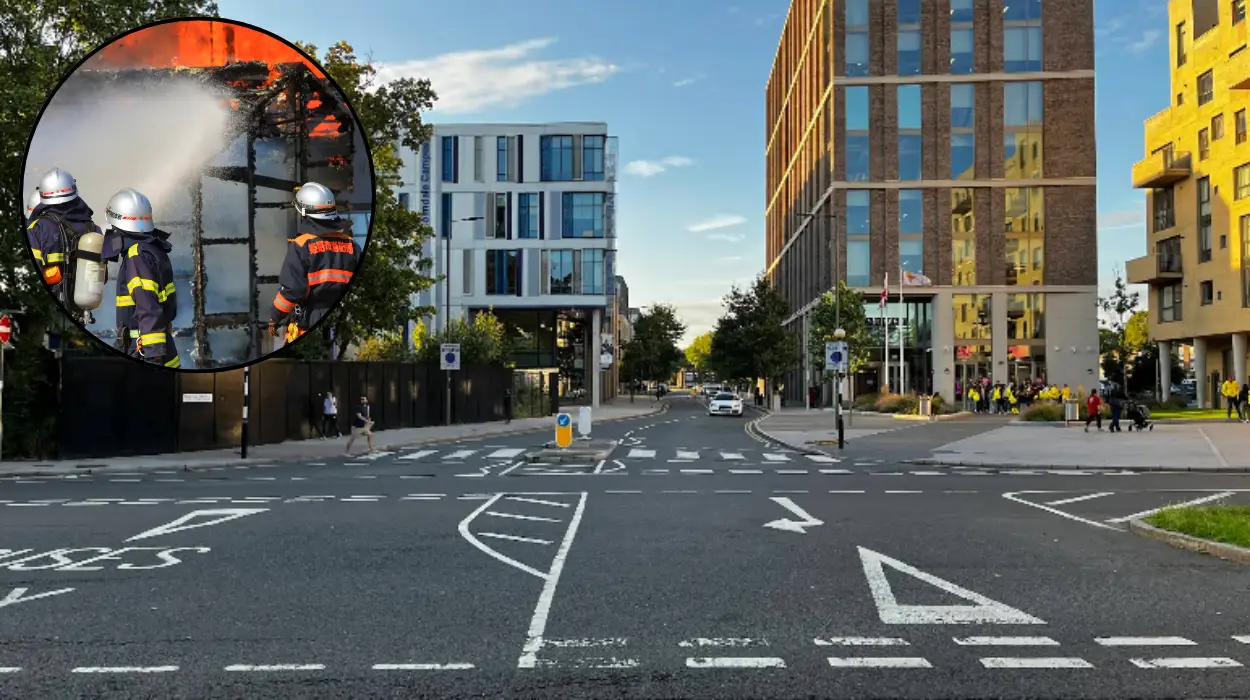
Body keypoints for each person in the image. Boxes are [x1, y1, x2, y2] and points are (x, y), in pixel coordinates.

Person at [268, 182, 359, 346]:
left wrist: (275, 316)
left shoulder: (302, 245)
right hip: (342, 323)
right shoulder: (352, 246)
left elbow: (293, 290)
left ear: (305, 213)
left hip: (309, 319)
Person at [105, 188, 179, 368]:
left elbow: (148, 307)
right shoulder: (152, 248)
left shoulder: (136, 256)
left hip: (144, 350)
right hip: (156, 348)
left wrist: (152, 356)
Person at [26, 168, 105, 323]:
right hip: (80, 312)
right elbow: (103, 276)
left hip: (46, 314)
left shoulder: (37, 229)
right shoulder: (94, 229)